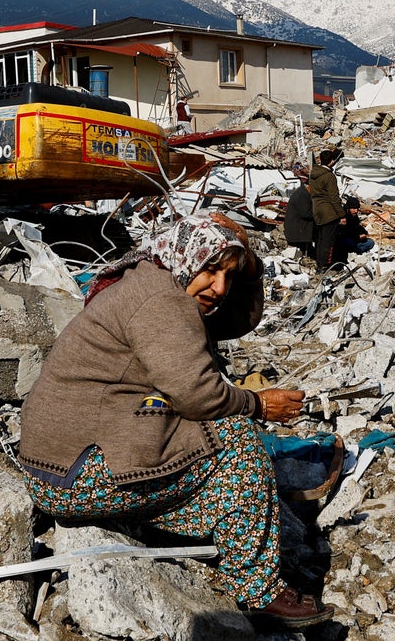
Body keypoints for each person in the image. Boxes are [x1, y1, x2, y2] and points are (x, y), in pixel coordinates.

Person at [18, 215, 332, 629]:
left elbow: (236, 320)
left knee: (198, 443)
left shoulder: (155, 279)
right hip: (76, 474)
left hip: (57, 468)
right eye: (211, 269)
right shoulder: (160, 302)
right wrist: (257, 405)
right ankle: (258, 591)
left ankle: (212, 530)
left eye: (228, 275)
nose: (219, 287)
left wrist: (250, 265)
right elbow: (197, 394)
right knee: (235, 438)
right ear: (187, 258)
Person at [308, 148, 345, 272]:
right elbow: (334, 198)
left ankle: (319, 264)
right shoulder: (329, 176)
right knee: (328, 241)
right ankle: (324, 266)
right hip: (329, 212)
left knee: (321, 239)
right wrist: (342, 215)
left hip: (317, 210)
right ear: (332, 161)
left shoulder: (313, 174)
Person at [282, 166, 316, 264]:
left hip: (298, 227)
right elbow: (306, 214)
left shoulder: (303, 193)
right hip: (297, 229)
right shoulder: (302, 195)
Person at [332, 197, 375, 265]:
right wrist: (358, 237)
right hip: (344, 240)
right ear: (348, 208)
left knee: (371, 242)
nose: (356, 211)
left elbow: (357, 226)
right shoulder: (343, 216)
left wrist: (364, 232)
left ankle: (354, 249)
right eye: (354, 209)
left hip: (354, 239)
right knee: (347, 242)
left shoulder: (354, 216)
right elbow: (344, 233)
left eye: (357, 209)